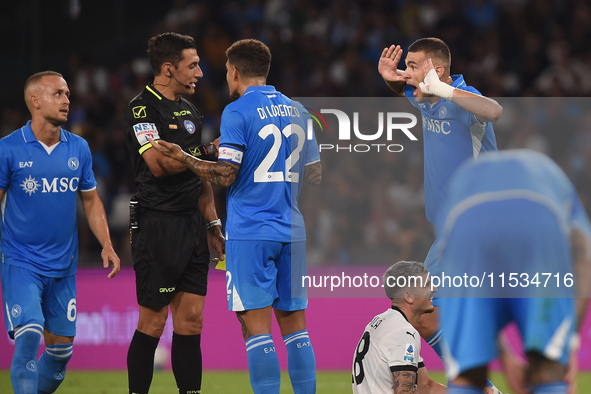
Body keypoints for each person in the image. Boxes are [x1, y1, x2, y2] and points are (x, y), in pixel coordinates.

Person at [149, 38, 321, 394]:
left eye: (226, 72)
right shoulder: (298, 109)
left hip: (251, 232)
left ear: (235, 71)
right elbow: (315, 172)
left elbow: (226, 175)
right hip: (292, 228)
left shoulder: (238, 110)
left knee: (256, 330)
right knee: (296, 329)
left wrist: (185, 158)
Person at [377, 36, 509, 383]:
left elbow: (494, 111)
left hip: (477, 225)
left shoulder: (462, 101)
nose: (407, 74)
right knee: (424, 312)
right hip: (454, 230)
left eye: (412, 66)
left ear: (437, 72)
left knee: (416, 303)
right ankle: (478, 382)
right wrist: (390, 77)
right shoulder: (427, 96)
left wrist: (443, 89)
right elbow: (406, 88)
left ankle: (477, 383)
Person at [0, 71, 120, 394]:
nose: (67, 100)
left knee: (60, 354)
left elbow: (91, 201)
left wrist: (107, 243)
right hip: (21, 262)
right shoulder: (8, 149)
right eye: (58, 94)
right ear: (35, 101)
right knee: (29, 334)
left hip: (63, 267)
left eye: (67, 93)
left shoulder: (78, 149)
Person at [432, 149, 591, 394]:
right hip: (539, 213)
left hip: (465, 218)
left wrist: (505, 359)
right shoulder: (558, 183)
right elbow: (583, 257)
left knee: (467, 371)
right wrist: (567, 343)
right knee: (547, 363)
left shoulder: (461, 181)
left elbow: (456, 272)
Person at [123, 32, 224, 394]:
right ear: (169, 68)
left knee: (192, 322)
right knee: (153, 321)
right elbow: (158, 165)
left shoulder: (190, 109)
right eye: (192, 65)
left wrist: (212, 221)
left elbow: (197, 173)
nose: (199, 71)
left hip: (192, 225)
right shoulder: (142, 108)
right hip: (156, 223)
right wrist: (207, 153)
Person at [352, 261, 446, 394]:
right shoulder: (403, 333)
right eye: (426, 285)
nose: (434, 289)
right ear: (409, 296)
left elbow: (425, 386)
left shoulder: (382, 321)